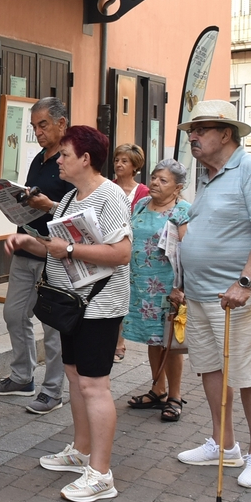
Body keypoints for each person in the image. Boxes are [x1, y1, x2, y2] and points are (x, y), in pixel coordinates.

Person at [5, 125, 131, 502]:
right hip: (72, 305)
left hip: (99, 305)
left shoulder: (110, 196)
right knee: (76, 378)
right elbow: (58, 247)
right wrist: (32, 241)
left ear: (85, 159)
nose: (57, 160)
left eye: (65, 155)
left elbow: (121, 253)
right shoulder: (71, 198)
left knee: (94, 385)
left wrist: (70, 251)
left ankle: (101, 474)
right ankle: (81, 450)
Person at [175, 101, 251, 489]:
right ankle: (225, 445)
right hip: (203, 293)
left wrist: (245, 283)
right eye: (191, 130)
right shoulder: (208, 175)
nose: (193, 136)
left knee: (248, 372)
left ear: (226, 134)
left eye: (201, 129)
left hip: (237, 295)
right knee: (210, 368)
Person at [0, 97, 74, 415]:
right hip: (27, 246)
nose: (37, 131)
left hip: (56, 251)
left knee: (52, 326)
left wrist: (48, 205)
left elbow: (82, 209)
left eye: (43, 125)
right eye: (34, 126)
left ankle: (53, 391)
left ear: (62, 124)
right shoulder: (39, 159)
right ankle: (23, 378)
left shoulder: (73, 159)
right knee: (14, 314)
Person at [124, 159, 190, 422]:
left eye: (163, 180)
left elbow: (187, 252)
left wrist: (180, 289)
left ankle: (174, 396)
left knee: (169, 342)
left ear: (178, 187)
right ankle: (157, 389)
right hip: (140, 285)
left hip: (167, 286)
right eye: (154, 177)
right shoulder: (140, 204)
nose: (155, 183)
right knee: (154, 339)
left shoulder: (182, 210)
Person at [111, 143, 148, 362]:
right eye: (117, 160)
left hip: (135, 251)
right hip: (113, 247)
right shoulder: (108, 187)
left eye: (124, 161)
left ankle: (120, 341)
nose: (119, 164)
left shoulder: (144, 193)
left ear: (135, 166)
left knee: (128, 295)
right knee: (114, 292)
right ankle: (113, 340)